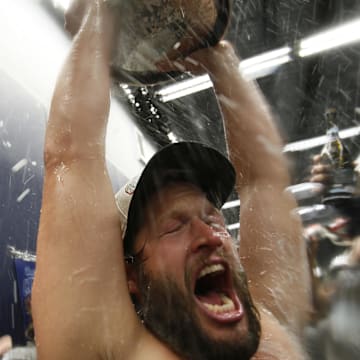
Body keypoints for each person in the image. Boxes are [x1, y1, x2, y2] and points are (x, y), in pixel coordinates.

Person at [31, 1, 311, 359]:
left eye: (213, 219)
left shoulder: (272, 333)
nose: (210, 236)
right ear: (130, 276)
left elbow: (263, 182)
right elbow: (71, 154)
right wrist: (102, 14)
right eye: (174, 227)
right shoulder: (104, 349)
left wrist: (213, 51)